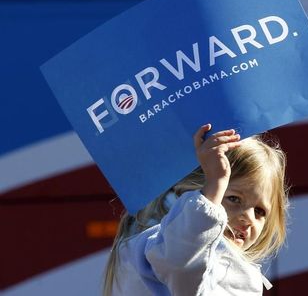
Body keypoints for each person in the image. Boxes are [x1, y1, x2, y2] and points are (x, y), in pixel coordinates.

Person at [103, 124, 289, 295]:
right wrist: (214, 187)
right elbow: (182, 262)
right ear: (188, 191)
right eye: (234, 198)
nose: (248, 218)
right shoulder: (164, 244)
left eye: (260, 211)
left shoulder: (160, 243)